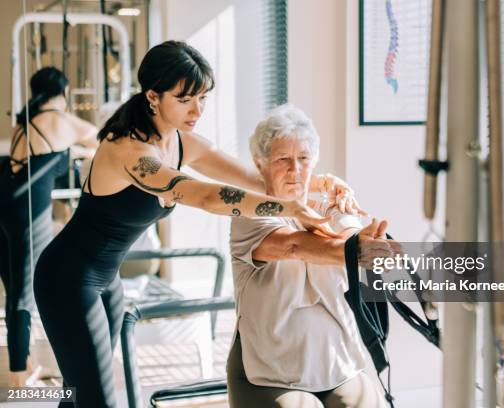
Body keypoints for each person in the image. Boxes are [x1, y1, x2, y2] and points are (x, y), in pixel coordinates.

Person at [33, 41, 355, 408]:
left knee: (77, 395)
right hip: (66, 279)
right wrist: (290, 208)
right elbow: (203, 195)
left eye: (202, 97)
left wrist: (319, 183)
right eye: (185, 99)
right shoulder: (130, 151)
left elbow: (252, 178)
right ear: (153, 97)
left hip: (107, 280)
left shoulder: (181, 142)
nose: (197, 109)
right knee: (96, 400)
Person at [228, 104, 393, 408]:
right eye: (283, 159)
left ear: (314, 162)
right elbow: (295, 245)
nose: (295, 170)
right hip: (270, 372)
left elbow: (350, 237)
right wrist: (355, 251)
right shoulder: (249, 215)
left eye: (303, 159)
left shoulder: (333, 208)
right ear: (260, 163)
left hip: (337, 367)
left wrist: (368, 244)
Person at [0, 67, 97, 387]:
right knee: (23, 293)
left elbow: (49, 158)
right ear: (64, 91)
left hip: (7, 205)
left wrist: (73, 153)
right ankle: (18, 376)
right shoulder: (59, 118)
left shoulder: (25, 123)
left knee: (15, 287)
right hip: (27, 212)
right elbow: (103, 138)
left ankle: (24, 362)